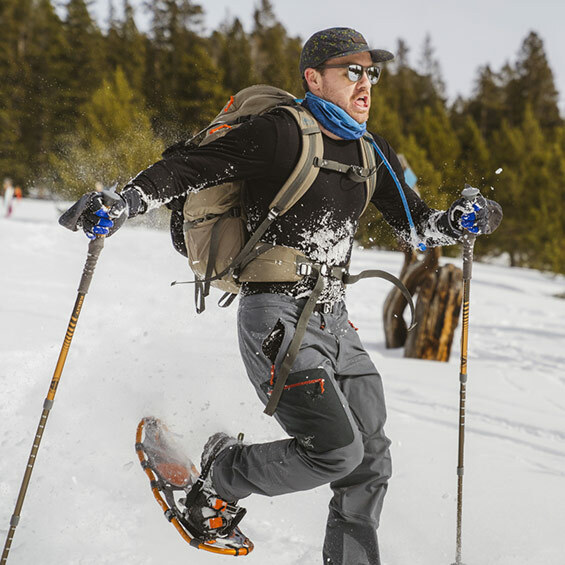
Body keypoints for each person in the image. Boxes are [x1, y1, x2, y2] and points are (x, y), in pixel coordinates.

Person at [61, 28, 502, 565]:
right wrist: (125, 200)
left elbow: (413, 226)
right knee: (337, 452)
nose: (367, 86)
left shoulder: (370, 148)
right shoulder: (280, 134)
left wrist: (456, 221)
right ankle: (219, 481)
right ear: (314, 78)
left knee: (371, 457)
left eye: (372, 74)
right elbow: (188, 168)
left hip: (335, 320)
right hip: (276, 318)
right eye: (353, 72)